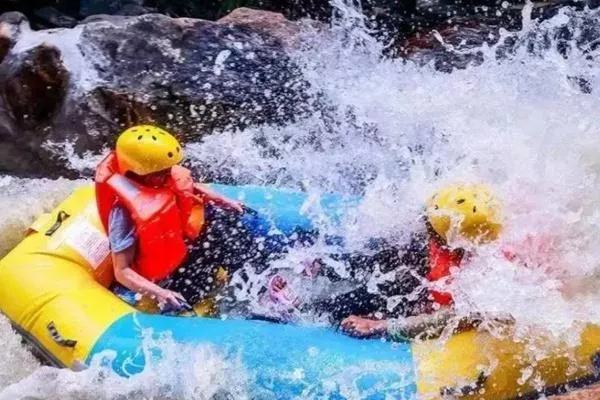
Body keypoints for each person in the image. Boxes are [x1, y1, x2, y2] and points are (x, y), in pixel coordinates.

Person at [95, 125, 246, 313]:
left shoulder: (157, 178)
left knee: (228, 221)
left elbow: (181, 185)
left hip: (180, 249)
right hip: (166, 277)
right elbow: (122, 271)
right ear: (137, 173)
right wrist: (160, 293)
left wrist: (218, 198)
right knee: (219, 242)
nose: (169, 174)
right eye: (161, 172)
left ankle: (264, 278)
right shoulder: (122, 214)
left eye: (169, 169)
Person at [338, 184, 505, 340]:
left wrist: (382, 326)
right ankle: (320, 265)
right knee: (391, 255)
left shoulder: (489, 275)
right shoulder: (493, 227)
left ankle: (324, 285)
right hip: (421, 278)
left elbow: (457, 317)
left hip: (426, 297)